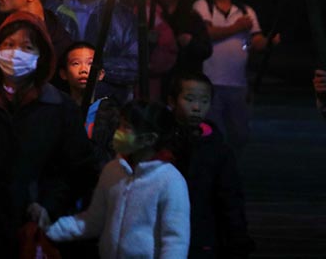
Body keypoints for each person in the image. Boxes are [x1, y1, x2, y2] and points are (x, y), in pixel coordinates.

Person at [0, 11, 99, 258]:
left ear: (42, 56)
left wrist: (49, 206)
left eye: (27, 47)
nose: (15, 53)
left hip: (34, 228)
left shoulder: (59, 107)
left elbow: (78, 169)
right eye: (9, 45)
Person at [36, 101, 190, 258]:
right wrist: (51, 230)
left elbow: (175, 240)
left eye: (126, 127)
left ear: (149, 139)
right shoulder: (113, 170)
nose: (118, 132)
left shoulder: (171, 181)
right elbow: (93, 221)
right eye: (120, 125)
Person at [167, 72, 255, 258]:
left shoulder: (217, 149)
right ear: (172, 101)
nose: (197, 107)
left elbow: (230, 199)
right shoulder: (161, 142)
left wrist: (237, 241)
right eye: (189, 99)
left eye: (204, 101)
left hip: (202, 236)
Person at [192, 0, 277, 152]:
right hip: (209, 84)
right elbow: (206, 33)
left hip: (238, 84)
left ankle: (231, 172)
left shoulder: (246, 11)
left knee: (240, 134)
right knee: (213, 135)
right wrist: (237, 28)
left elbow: (256, 41)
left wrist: (269, 41)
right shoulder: (203, 6)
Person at [54, 0, 139, 104]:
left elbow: (136, 66)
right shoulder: (55, 13)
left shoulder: (123, 17)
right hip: (62, 104)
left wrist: (94, 66)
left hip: (109, 106)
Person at [151, 0, 212, 101]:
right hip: (157, 83)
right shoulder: (150, 14)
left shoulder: (191, 17)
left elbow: (206, 50)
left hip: (185, 83)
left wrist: (191, 42)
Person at [59, 41, 120, 172]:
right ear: (63, 73)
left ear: (101, 74)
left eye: (90, 64)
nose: (83, 70)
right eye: (75, 63)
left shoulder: (110, 112)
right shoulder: (58, 109)